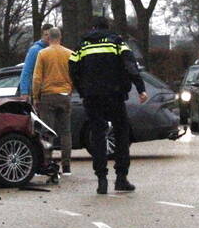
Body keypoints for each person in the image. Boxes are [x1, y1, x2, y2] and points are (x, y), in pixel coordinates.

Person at [69, 16, 147, 195]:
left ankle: (101, 180)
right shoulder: (117, 42)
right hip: (115, 94)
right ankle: (121, 178)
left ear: (94, 27)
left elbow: (72, 67)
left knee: (97, 135)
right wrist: (140, 88)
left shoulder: (83, 44)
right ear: (107, 27)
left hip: (92, 96)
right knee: (121, 133)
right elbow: (130, 65)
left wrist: (82, 89)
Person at [32, 27, 74, 175]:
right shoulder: (69, 54)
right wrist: (69, 90)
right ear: (60, 37)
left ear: (48, 38)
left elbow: (37, 78)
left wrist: (36, 96)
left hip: (47, 95)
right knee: (66, 132)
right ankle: (66, 166)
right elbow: (75, 75)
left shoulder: (43, 54)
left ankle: (47, 163)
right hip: (64, 95)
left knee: (46, 132)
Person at [18, 23, 52, 97]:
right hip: (39, 92)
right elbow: (26, 71)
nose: (48, 37)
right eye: (46, 35)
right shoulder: (35, 50)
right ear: (42, 36)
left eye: (50, 35)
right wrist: (24, 92)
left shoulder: (55, 49)